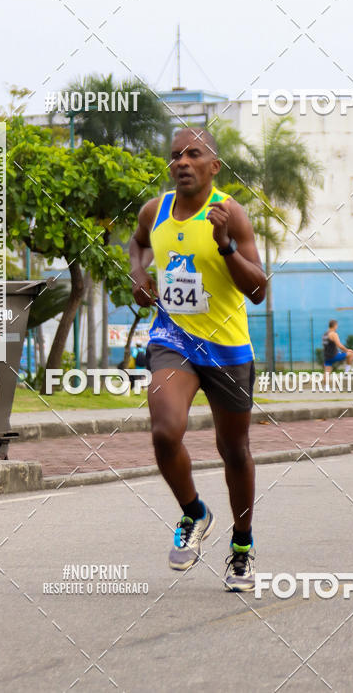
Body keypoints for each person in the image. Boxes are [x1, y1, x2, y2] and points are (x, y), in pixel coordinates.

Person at [129, 126, 266, 592]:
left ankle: (242, 546)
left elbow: (259, 290)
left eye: (193, 154)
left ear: (214, 166)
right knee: (165, 431)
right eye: (175, 156)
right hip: (175, 338)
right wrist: (138, 272)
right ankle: (194, 513)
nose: (182, 162)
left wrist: (226, 245)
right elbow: (139, 241)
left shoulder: (232, 214)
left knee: (234, 450)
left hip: (227, 349)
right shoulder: (157, 210)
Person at [322, 320, 353, 384]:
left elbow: (328, 345)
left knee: (327, 371)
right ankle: (347, 371)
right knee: (351, 353)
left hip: (327, 356)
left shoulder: (325, 334)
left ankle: (326, 387)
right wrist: (347, 350)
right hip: (334, 356)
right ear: (335, 325)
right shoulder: (333, 334)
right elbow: (339, 345)